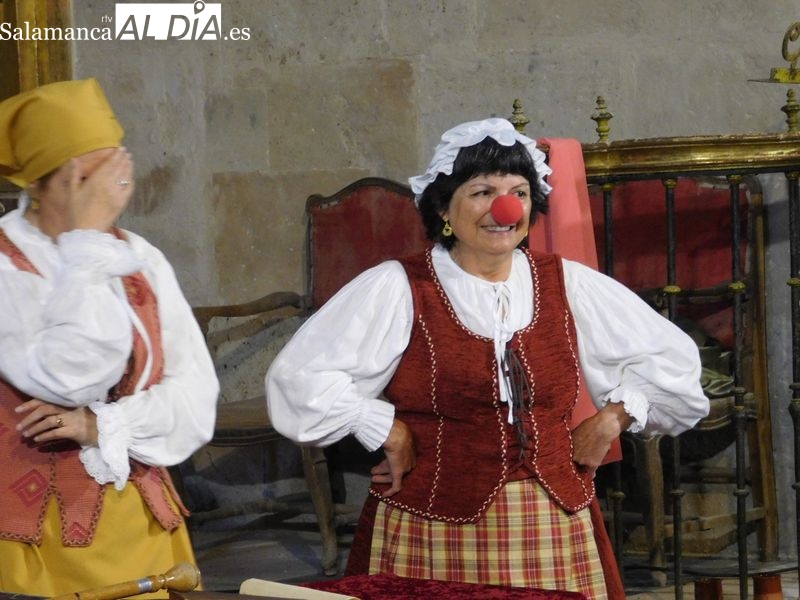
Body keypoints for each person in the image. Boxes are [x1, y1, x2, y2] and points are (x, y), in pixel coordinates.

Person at [265, 118, 709, 599]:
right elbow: (299, 377)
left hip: (552, 529)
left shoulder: (568, 282)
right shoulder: (400, 286)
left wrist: (612, 419)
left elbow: (674, 364)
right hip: (431, 529)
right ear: (443, 206)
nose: (504, 208)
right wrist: (384, 429)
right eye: (482, 192)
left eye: (519, 192)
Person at [0, 79, 219, 597]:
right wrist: (87, 246)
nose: (111, 188)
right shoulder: (8, 267)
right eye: (89, 174)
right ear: (42, 183)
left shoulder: (138, 256)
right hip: (34, 533)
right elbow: (67, 378)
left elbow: (196, 398)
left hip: (138, 520)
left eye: (116, 168)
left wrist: (104, 425)